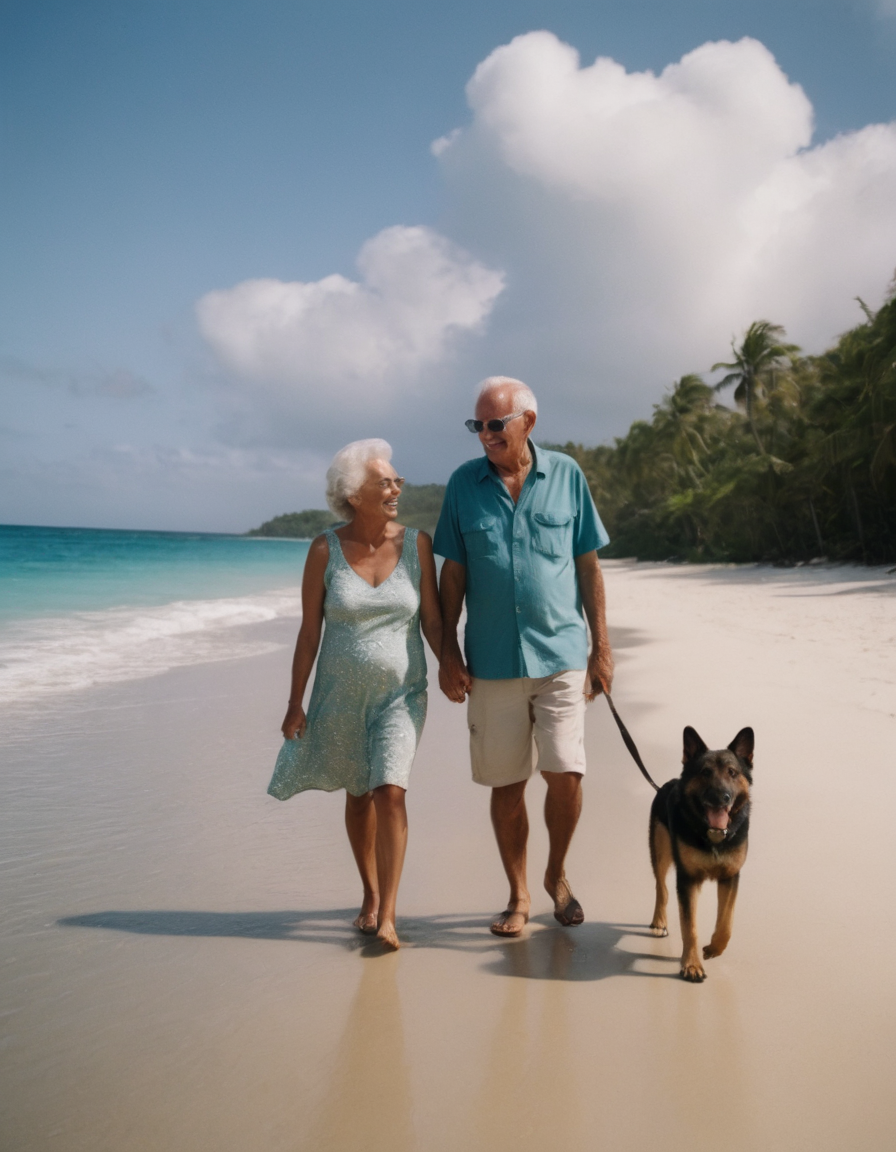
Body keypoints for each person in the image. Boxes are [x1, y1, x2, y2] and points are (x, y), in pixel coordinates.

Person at [433, 377, 613, 937]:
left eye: (495, 424)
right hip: (490, 661)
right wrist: (446, 652)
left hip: (561, 653)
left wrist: (601, 649)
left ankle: (557, 874)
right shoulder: (463, 485)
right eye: (476, 426)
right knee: (507, 786)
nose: (484, 435)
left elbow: (588, 565)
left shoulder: (566, 475)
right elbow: (453, 573)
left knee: (565, 774)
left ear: (527, 422)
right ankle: (518, 893)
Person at [269, 439, 442, 950]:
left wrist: (452, 664)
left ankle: (388, 914)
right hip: (339, 695)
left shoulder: (417, 544)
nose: (396, 489)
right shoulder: (324, 548)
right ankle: (369, 894)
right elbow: (308, 633)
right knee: (359, 791)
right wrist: (294, 701)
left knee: (390, 789)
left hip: (402, 694)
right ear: (353, 494)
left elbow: (431, 620)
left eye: (396, 481)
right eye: (384, 482)